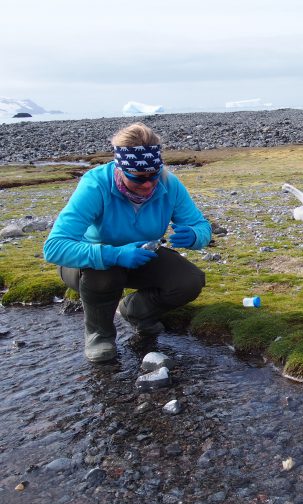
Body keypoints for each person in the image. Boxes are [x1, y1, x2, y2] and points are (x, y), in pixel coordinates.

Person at [43, 123, 211, 362]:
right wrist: (116, 255)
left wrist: (195, 236)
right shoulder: (96, 185)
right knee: (105, 274)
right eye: (138, 178)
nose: (148, 185)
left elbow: (201, 226)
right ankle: (99, 335)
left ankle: (134, 311)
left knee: (189, 281)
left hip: (142, 255)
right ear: (120, 168)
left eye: (154, 175)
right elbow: (54, 248)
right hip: (87, 264)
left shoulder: (168, 183)